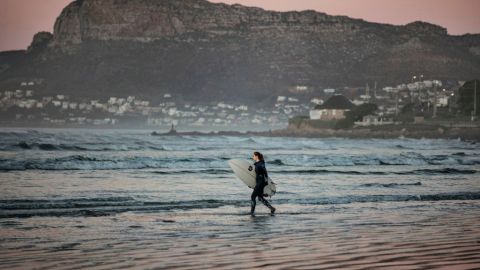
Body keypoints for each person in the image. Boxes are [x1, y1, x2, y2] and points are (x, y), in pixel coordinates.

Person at [251, 151, 276, 215]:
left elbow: (265, 172)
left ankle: (252, 212)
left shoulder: (261, 163)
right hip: (258, 182)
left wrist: (268, 181)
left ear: (256, 156)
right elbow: (251, 174)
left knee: (253, 196)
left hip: (261, 182)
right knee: (260, 198)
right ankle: (272, 208)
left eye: (253, 156)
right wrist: (250, 183)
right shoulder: (256, 164)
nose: (252, 157)